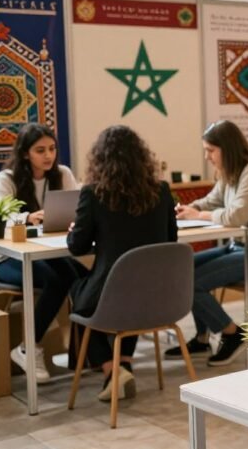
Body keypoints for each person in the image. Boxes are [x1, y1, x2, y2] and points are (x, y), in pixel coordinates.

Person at [67, 125, 177, 401]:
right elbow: (170, 242)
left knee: (78, 297)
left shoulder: (94, 194)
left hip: (112, 294)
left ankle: (110, 370)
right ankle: (125, 362)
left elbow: (77, 246)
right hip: (156, 297)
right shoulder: (161, 191)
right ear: (142, 157)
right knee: (132, 296)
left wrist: (77, 230)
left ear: (100, 159)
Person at [167, 120, 248, 366]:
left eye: (211, 150)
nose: (207, 156)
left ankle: (233, 334)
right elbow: (212, 200)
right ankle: (202, 338)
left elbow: (236, 216)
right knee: (181, 271)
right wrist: (193, 207)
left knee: (193, 283)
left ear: (228, 148)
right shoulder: (231, 172)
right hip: (241, 247)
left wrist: (198, 215)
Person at [0, 123, 85, 383]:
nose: (48, 156)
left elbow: (77, 206)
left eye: (52, 149)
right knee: (57, 281)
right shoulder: (7, 179)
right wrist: (27, 217)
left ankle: (83, 353)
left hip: (49, 253)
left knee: (84, 278)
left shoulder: (62, 173)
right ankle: (28, 347)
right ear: (24, 154)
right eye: (40, 150)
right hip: (8, 258)